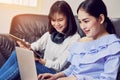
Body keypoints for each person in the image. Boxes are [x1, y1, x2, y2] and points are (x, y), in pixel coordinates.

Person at [38, 0, 120, 80]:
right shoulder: (82, 41)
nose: (82, 27)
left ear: (101, 19)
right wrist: (56, 76)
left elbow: (109, 78)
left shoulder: (113, 46)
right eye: (80, 22)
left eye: (86, 21)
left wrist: (77, 78)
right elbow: (72, 69)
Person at [0, 1, 80, 80]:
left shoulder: (75, 39)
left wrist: (40, 60)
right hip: (43, 67)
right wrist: (26, 46)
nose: (56, 24)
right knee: (16, 54)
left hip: (56, 74)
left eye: (60, 20)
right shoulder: (50, 34)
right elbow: (35, 46)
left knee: (23, 64)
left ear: (68, 19)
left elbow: (58, 65)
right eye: (53, 20)